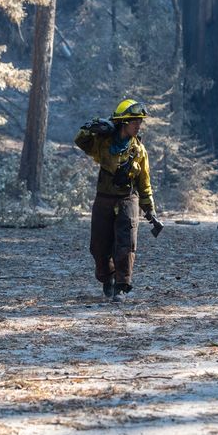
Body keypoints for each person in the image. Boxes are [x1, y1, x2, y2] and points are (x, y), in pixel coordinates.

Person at [74, 98, 156, 301]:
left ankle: (121, 286)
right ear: (123, 122)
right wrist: (92, 126)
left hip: (128, 200)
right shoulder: (103, 142)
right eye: (135, 122)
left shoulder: (139, 151)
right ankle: (107, 279)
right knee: (99, 246)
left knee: (125, 245)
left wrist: (149, 210)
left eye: (140, 122)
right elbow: (81, 141)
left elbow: (144, 183)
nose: (139, 126)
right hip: (104, 199)